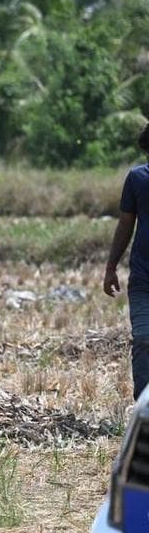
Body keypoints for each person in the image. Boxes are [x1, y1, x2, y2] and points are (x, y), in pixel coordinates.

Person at [104, 124, 149, 399]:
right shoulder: (137, 178)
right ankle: (144, 409)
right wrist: (111, 267)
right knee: (144, 340)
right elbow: (125, 225)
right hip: (143, 278)